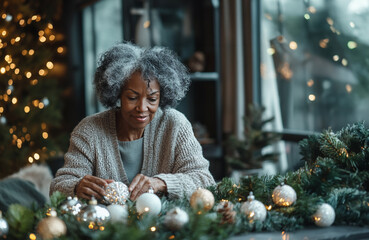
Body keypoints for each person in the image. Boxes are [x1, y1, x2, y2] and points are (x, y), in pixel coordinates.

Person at [50, 42, 215, 201]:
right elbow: (58, 186)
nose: (142, 107)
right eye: (132, 97)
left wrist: (162, 183)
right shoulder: (89, 130)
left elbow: (204, 181)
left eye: (152, 98)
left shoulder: (175, 125)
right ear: (117, 93)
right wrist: (77, 186)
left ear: (162, 96)